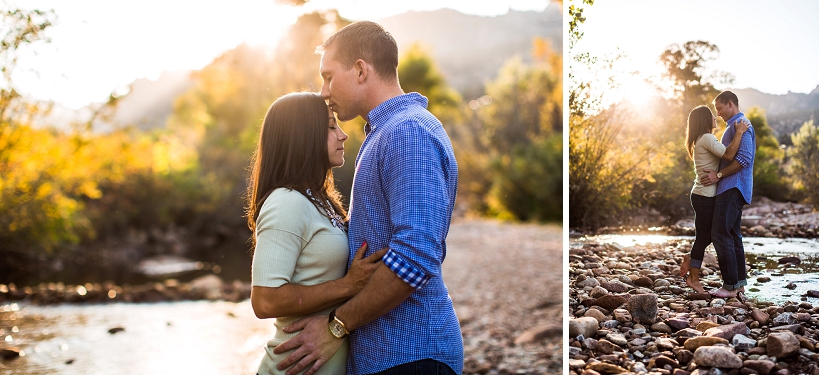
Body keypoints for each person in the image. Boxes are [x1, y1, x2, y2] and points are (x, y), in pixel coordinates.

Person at [271, 21, 463, 375]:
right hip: (389, 356)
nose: (324, 91)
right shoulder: (386, 133)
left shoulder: (407, 133)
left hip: (411, 356)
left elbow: (417, 254)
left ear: (360, 69)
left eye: (328, 77)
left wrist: (336, 325)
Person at [245, 92, 387, 375]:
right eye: (331, 127)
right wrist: (349, 285)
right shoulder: (285, 202)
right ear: (304, 137)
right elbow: (265, 300)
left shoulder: (318, 200)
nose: (343, 135)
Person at [679, 105, 749, 294]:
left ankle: (691, 261)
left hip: (702, 195)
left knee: (704, 237)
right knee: (705, 237)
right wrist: (740, 133)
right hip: (704, 196)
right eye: (712, 114)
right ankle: (693, 278)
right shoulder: (707, 138)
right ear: (704, 119)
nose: (715, 116)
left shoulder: (702, 139)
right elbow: (728, 154)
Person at [699, 90, 756, 299]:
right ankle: (738, 285)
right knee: (732, 235)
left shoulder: (741, 124)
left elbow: (744, 159)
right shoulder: (735, 126)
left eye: (720, 108)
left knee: (720, 234)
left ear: (730, 104)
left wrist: (719, 175)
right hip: (731, 187)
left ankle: (730, 286)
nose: (719, 113)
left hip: (733, 187)